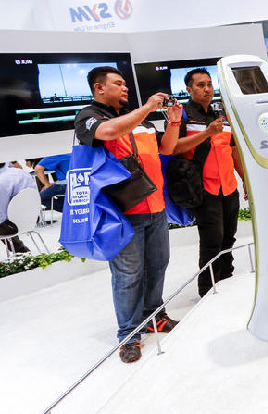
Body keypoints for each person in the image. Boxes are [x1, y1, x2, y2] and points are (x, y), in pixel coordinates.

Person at [74, 66, 182, 363]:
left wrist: (173, 121)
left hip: (156, 207)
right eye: (118, 83)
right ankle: (129, 336)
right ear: (99, 88)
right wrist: (146, 107)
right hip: (122, 213)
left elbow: (167, 149)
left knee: (158, 266)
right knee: (128, 276)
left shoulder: (140, 120)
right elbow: (108, 132)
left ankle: (155, 316)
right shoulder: (88, 117)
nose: (125, 88)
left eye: (125, 83)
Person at [172, 68, 245, 298]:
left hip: (228, 187)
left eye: (209, 84)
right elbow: (173, 148)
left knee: (229, 238)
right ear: (189, 89)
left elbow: (233, 150)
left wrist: (245, 180)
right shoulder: (183, 115)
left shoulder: (220, 115)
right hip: (203, 189)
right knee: (212, 242)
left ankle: (228, 282)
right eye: (201, 85)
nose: (207, 89)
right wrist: (206, 133)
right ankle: (207, 291)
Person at [0, 161, 36, 254]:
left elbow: (1, 217)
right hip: (33, 217)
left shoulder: (2, 181)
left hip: (13, 225)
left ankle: (19, 249)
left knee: (3, 223)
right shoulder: (22, 173)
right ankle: (20, 249)